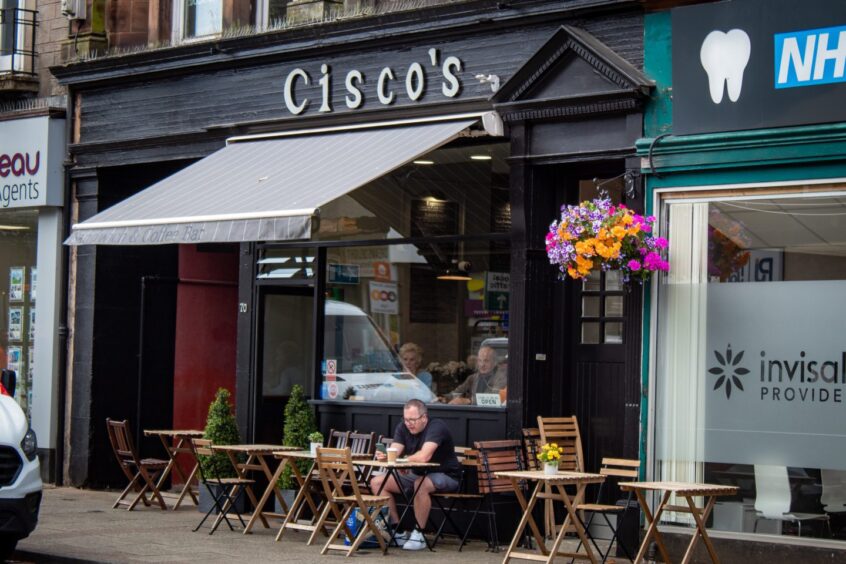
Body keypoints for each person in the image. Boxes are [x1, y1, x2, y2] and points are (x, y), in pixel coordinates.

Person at [369, 399, 460, 551]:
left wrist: (403, 461)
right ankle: (397, 531)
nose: (409, 423)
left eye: (413, 420)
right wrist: (385, 456)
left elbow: (424, 456)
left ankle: (419, 535)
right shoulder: (403, 426)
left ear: (424, 417)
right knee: (377, 482)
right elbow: (395, 451)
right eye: (406, 419)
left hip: (446, 475)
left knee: (421, 484)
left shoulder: (436, 426)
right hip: (417, 473)